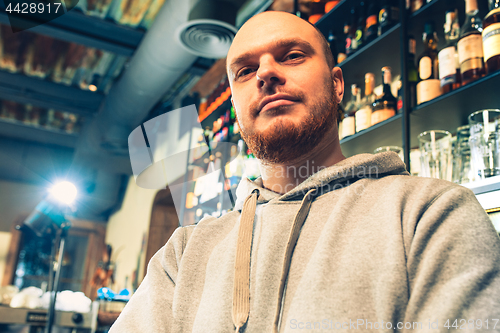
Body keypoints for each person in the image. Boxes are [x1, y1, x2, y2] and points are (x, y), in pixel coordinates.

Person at [110, 11, 500, 333]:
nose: (265, 73)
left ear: (336, 85)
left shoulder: (431, 214)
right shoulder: (184, 253)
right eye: (245, 71)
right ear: (237, 109)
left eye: (292, 55)